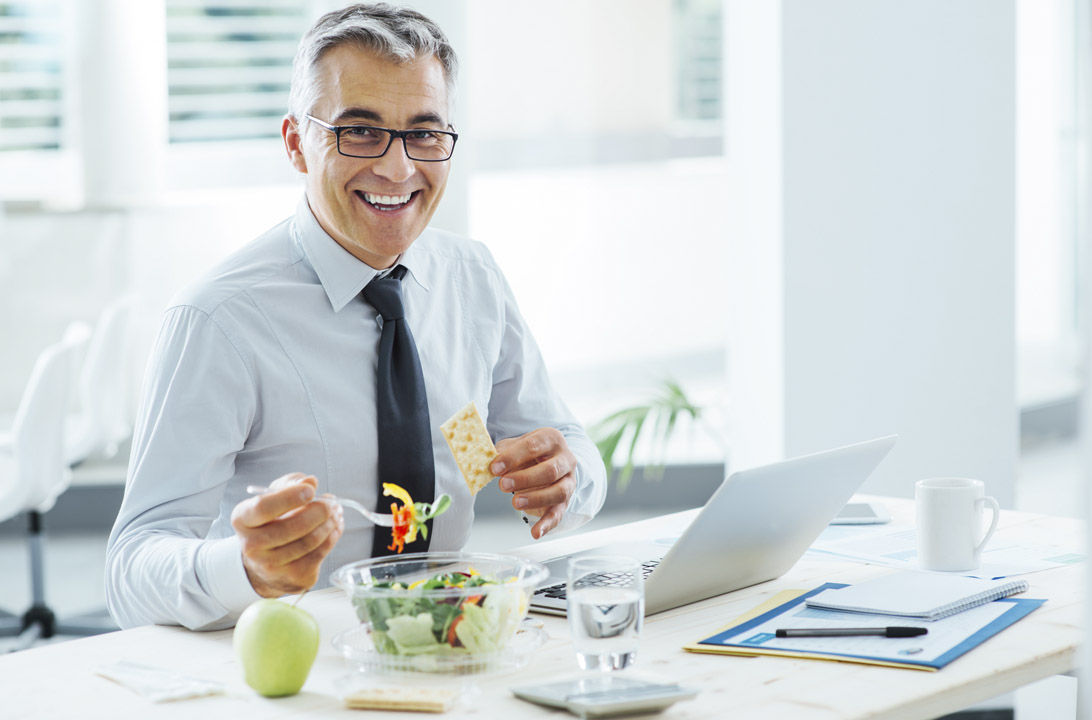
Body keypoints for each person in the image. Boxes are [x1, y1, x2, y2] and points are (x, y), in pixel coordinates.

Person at [105, 3, 606, 631]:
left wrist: (569, 476)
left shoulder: (472, 279)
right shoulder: (218, 320)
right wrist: (244, 568)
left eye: (424, 133)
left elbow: (566, 442)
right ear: (296, 143)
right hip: (302, 669)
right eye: (360, 131)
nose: (398, 168)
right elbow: (130, 569)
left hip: (458, 648)